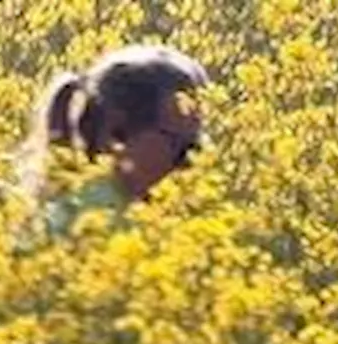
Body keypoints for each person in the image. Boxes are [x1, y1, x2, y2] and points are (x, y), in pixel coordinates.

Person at [20, 44, 207, 240]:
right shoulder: (97, 230)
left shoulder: (64, 209)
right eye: (184, 148)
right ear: (116, 136)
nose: (192, 163)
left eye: (199, 145)